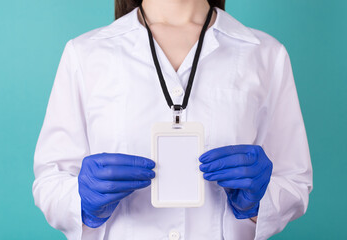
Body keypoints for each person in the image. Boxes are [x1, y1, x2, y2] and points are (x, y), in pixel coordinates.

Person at [32, 0, 313, 239]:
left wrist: (260, 201)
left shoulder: (264, 54)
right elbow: (50, 180)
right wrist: (81, 201)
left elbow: (295, 181)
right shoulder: (85, 53)